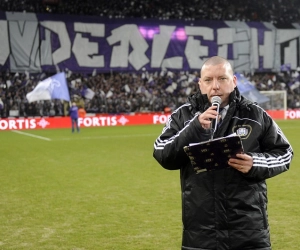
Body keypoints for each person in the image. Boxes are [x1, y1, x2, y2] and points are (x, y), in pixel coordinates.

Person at [153, 56, 293, 250]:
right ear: (200, 84)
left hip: (248, 229)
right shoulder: (182, 116)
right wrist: (193, 128)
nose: (215, 86)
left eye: (222, 78)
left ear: (234, 81)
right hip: (201, 232)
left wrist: (255, 163)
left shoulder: (256, 115)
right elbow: (162, 154)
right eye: (208, 80)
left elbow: (285, 153)